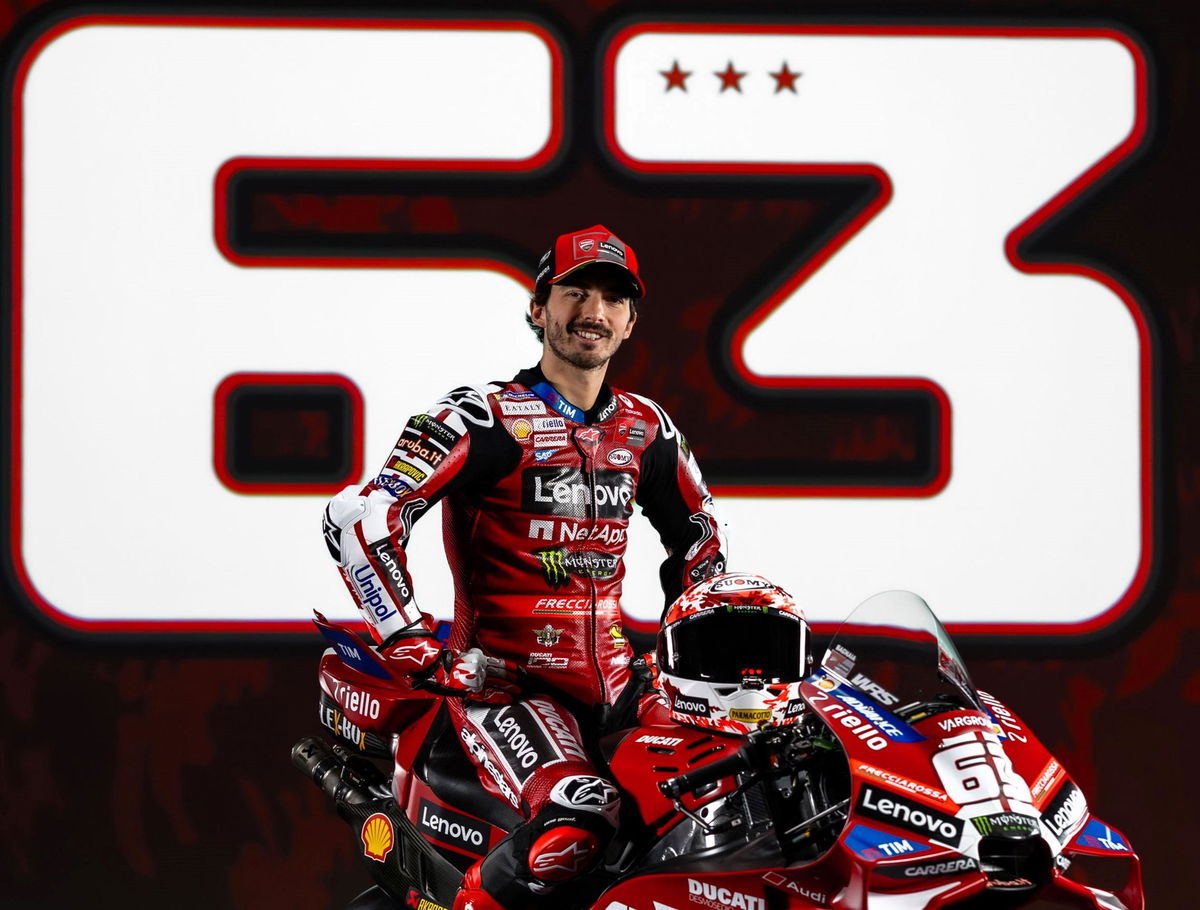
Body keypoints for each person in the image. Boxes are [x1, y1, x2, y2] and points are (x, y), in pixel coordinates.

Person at [321, 224, 728, 910]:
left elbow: (701, 541)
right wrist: (415, 648)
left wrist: (696, 655)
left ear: (631, 322)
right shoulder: (479, 417)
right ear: (539, 308)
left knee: (733, 782)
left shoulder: (647, 428)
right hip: (505, 687)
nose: (594, 311)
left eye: (613, 298)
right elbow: (362, 520)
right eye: (576, 292)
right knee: (580, 817)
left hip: (621, 685)